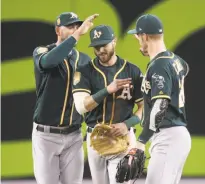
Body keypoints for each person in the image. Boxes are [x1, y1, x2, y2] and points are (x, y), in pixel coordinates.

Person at [32, 12, 99, 184]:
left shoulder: (84, 60)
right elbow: (48, 62)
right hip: (46, 136)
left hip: (74, 136)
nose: (74, 30)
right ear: (57, 30)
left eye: (76, 27)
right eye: (69, 27)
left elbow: (89, 95)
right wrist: (76, 36)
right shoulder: (42, 51)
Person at [72, 25, 144, 184]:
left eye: (104, 44)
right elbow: (82, 107)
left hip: (122, 136)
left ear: (114, 41)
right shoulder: (84, 71)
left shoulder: (132, 70)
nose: (100, 50)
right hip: (95, 137)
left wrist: (128, 124)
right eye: (96, 46)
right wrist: (108, 89)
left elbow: (144, 108)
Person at [127, 14, 191, 184]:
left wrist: (141, 141)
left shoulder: (159, 65)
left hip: (168, 135)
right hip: (175, 134)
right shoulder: (174, 60)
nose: (138, 42)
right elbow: (185, 68)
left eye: (138, 37)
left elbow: (161, 104)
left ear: (145, 36)